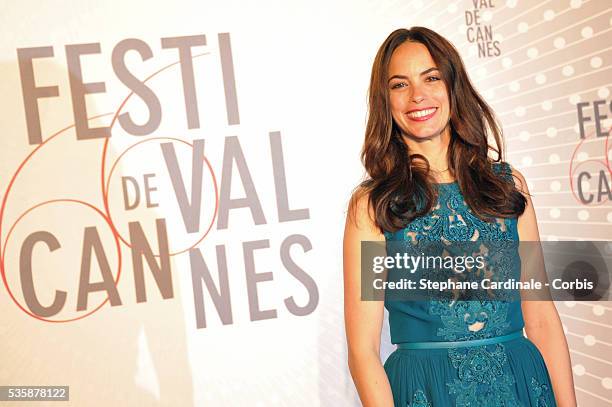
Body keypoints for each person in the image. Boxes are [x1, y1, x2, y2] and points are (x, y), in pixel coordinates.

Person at [343, 27, 577, 407]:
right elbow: (363, 350)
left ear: (453, 86)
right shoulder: (373, 206)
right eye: (400, 84)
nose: (418, 95)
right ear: (384, 100)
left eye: (431, 77)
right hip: (427, 389)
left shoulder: (507, 187)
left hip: (519, 382)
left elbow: (541, 318)